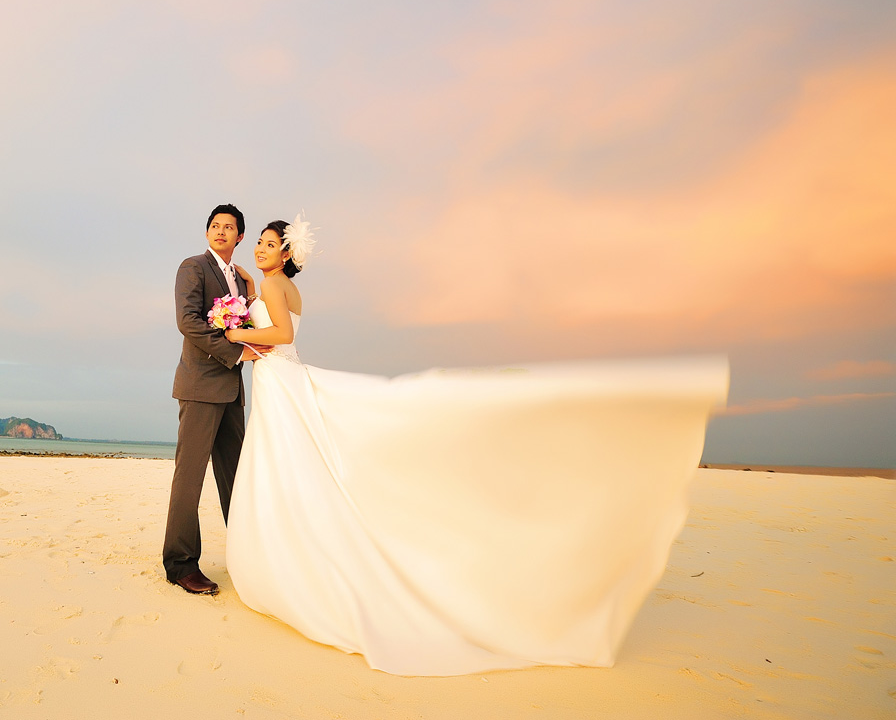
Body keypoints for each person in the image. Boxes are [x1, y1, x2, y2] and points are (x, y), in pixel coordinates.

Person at [222, 216, 729, 676]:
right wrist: (246, 313)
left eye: (269, 245)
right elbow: (284, 325)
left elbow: (280, 332)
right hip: (280, 377)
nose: (262, 252)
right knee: (296, 465)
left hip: (278, 380)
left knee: (286, 467)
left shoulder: (271, 283)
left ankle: (294, 556)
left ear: (286, 254)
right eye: (260, 245)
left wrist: (239, 329)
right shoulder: (284, 285)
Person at [163, 204, 268, 595]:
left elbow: (250, 325)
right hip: (200, 387)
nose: (221, 231)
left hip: (232, 392)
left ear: (240, 236)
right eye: (215, 226)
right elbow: (188, 321)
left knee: (235, 479)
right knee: (189, 480)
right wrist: (236, 353)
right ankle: (181, 564)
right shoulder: (193, 267)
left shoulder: (239, 282)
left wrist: (252, 290)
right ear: (207, 233)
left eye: (229, 227)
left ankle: (246, 556)